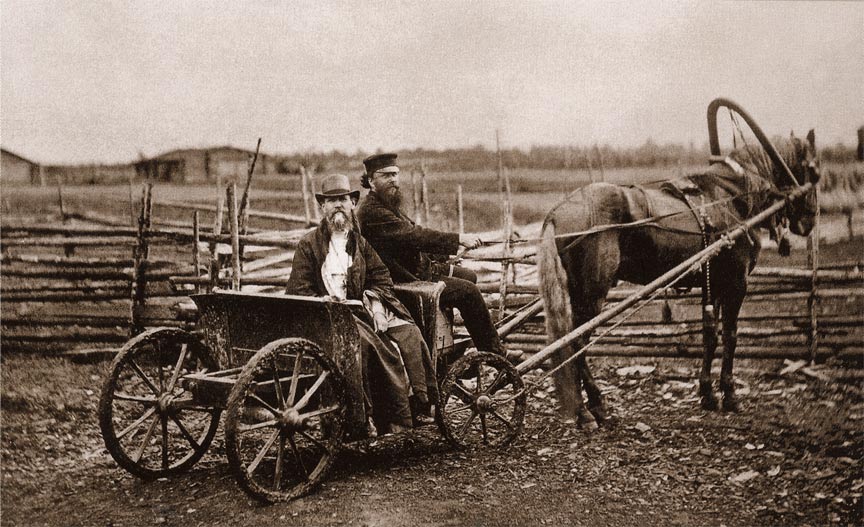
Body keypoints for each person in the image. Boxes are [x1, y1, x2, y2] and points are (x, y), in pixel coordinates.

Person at [286, 174, 436, 434]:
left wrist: (376, 305)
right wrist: (323, 302)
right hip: (325, 320)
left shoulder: (360, 244)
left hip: (362, 311)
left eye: (343, 199)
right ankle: (365, 419)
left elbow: (381, 277)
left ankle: (418, 407)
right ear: (322, 207)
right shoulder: (309, 245)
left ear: (352, 203)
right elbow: (297, 290)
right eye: (331, 201)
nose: (338, 206)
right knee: (368, 346)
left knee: (409, 334)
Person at [356, 152, 507, 358]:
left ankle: (443, 342)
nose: (393, 180)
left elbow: (411, 234)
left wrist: (446, 254)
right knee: (469, 292)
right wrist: (458, 239)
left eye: (395, 174)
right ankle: (495, 353)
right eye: (386, 175)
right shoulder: (372, 211)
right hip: (398, 281)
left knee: (468, 276)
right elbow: (413, 236)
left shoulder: (386, 204)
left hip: (411, 271)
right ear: (371, 181)